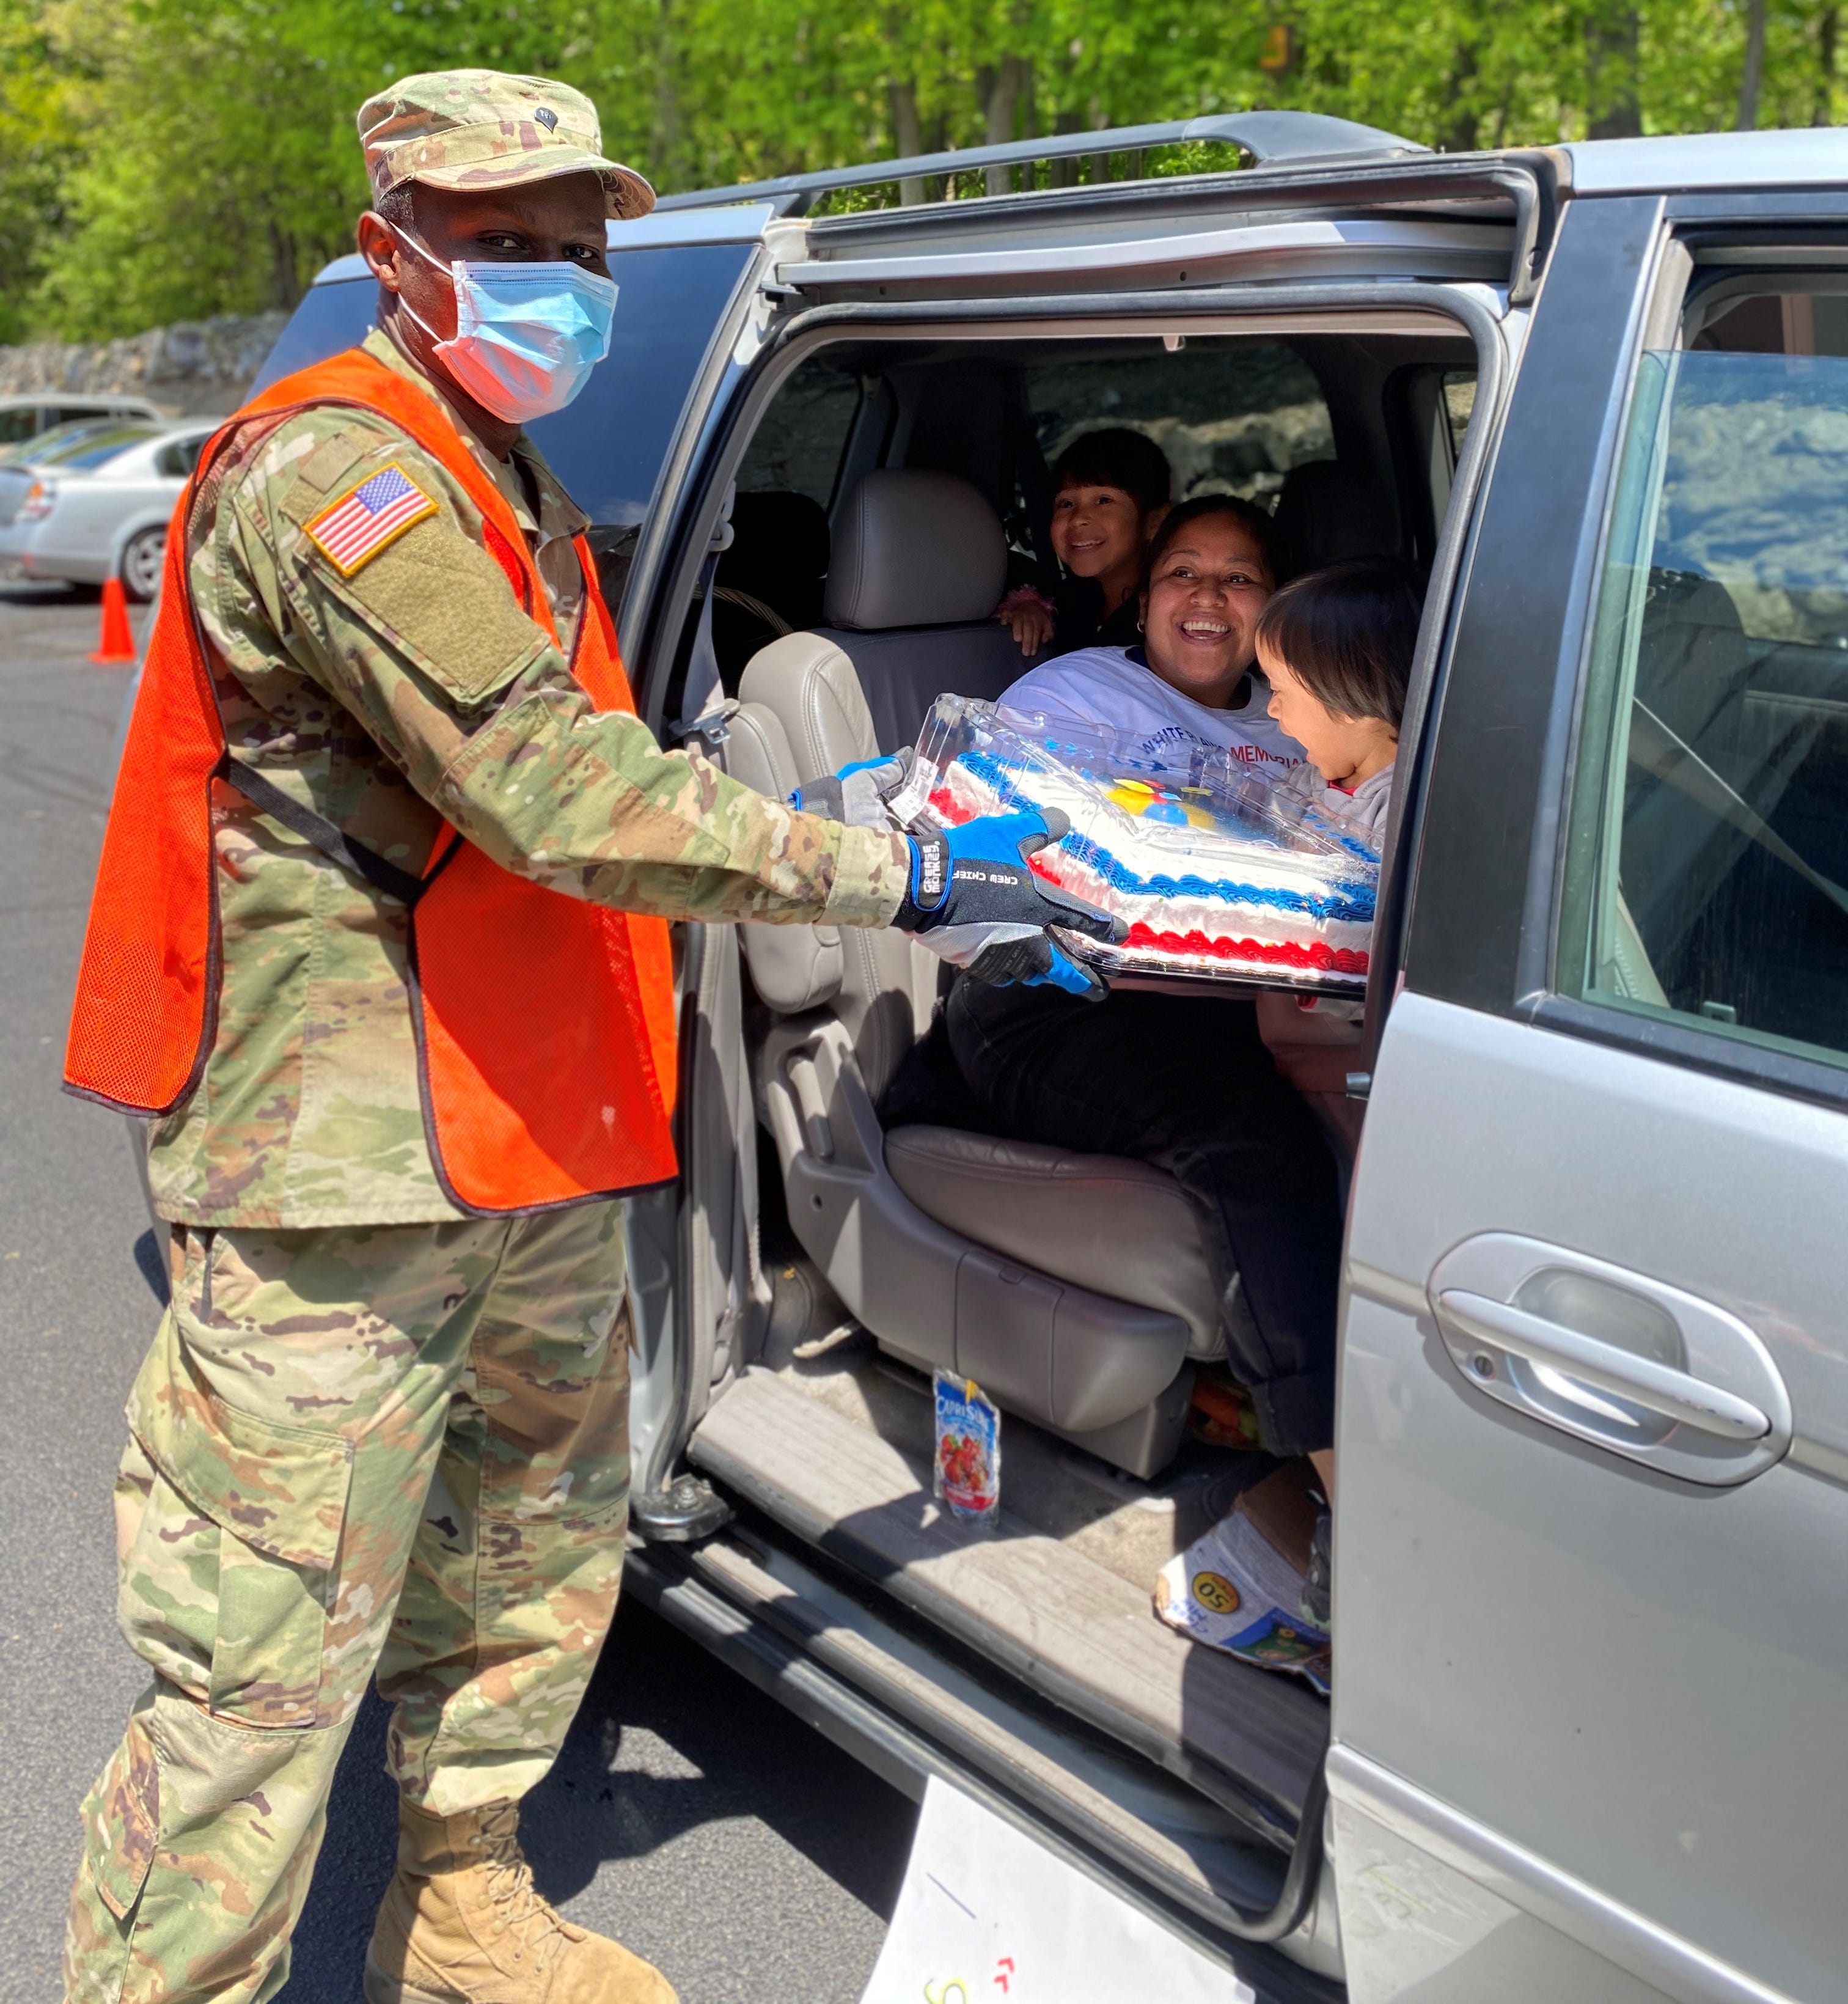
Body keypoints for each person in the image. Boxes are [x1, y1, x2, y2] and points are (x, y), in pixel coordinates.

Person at [59, 70, 1111, 2004]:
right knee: (263, 1650)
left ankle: (458, 1910)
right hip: (340, 1172)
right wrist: (886, 867)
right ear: (392, 253)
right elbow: (557, 787)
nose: (558, 278)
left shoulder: (497, 460)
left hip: (525, 1126)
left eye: (576, 247)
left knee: (530, 1557)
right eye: (504, 245)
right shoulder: (340, 476)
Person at [947, 493, 1349, 1482]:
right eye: (1182, 571)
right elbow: (1012, 866)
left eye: (1237, 576)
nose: (1206, 594)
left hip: (1238, 1001)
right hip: (1055, 999)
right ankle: (1337, 1477)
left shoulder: (1297, 719)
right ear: (1142, 601)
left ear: (1273, 606)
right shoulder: (1067, 695)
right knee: (1248, 1134)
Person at [1257, 558, 1420, 840]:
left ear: (1344, 697)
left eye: (1277, 689)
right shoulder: (1303, 783)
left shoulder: (1408, 815)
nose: (1272, 709)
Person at [995, 426, 1174, 658]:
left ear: (1155, 522)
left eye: (1103, 500)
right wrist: (1031, 611)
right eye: (1066, 504)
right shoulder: (1069, 601)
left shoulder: (1169, 611)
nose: (1079, 518)